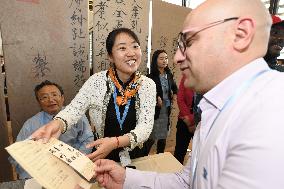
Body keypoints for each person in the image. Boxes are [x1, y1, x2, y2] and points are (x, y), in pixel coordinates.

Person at [93, 0, 284, 189]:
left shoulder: (271, 111)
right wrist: (127, 178)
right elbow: (188, 181)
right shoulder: (215, 106)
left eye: (189, 42)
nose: (177, 58)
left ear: (241, 35)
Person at [31, 28, 156, 165]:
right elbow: (74, 109)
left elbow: (145, 127)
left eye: (135, 46)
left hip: (135, 154)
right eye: (122, 48)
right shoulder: (96, 81)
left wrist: (116, 142)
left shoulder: (148, 85)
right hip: (102, 153)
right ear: (110, 56)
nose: (131, 53)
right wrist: (58, 123)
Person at [9, 80, 94, 179]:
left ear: (62, 98)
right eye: (44, 97)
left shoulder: (76, 116)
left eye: (54, 95)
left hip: (75, 165)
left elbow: (87, 138)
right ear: (39, 103)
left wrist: (78, 161)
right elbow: (17, 155)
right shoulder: (30, 124)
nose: (50, 100)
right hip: (45, 171)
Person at [146, 50, 177, 154]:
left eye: (166, 58)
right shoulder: (150, 77)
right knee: (152, 137)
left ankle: (160, 157)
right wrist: (155, 98)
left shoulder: (169, 74)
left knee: (163, 137)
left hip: (166, 110)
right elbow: (145, 94)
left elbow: (175, 88)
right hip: (156, 111)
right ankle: (143, 157)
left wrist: (173, 94)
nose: (165, 61)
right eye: (161, 58)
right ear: (155, 60)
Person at [173, 75, 195, 164]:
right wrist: (188, 118)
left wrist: (193, 120)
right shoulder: (186, 76)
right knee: (179, 152)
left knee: (200, 151)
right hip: (184, 120)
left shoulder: (207, 78)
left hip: (200, 121)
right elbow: (180, 99)